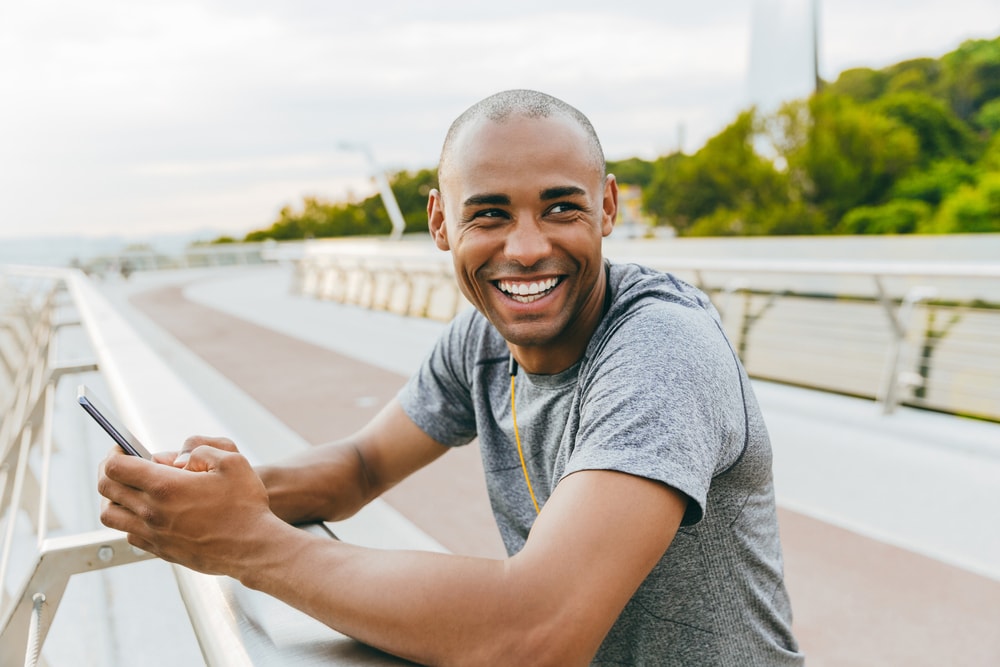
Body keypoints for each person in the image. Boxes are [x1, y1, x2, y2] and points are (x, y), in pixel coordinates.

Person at [98, 89, 803, 666]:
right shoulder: (483, 338)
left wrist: (246, 542)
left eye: (561, 207)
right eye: (489, 214)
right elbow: (360, 465)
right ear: (441, 223)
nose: (526, 248)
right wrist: (217, 489)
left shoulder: (660, 349)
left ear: (608, 207)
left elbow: (536, 630)